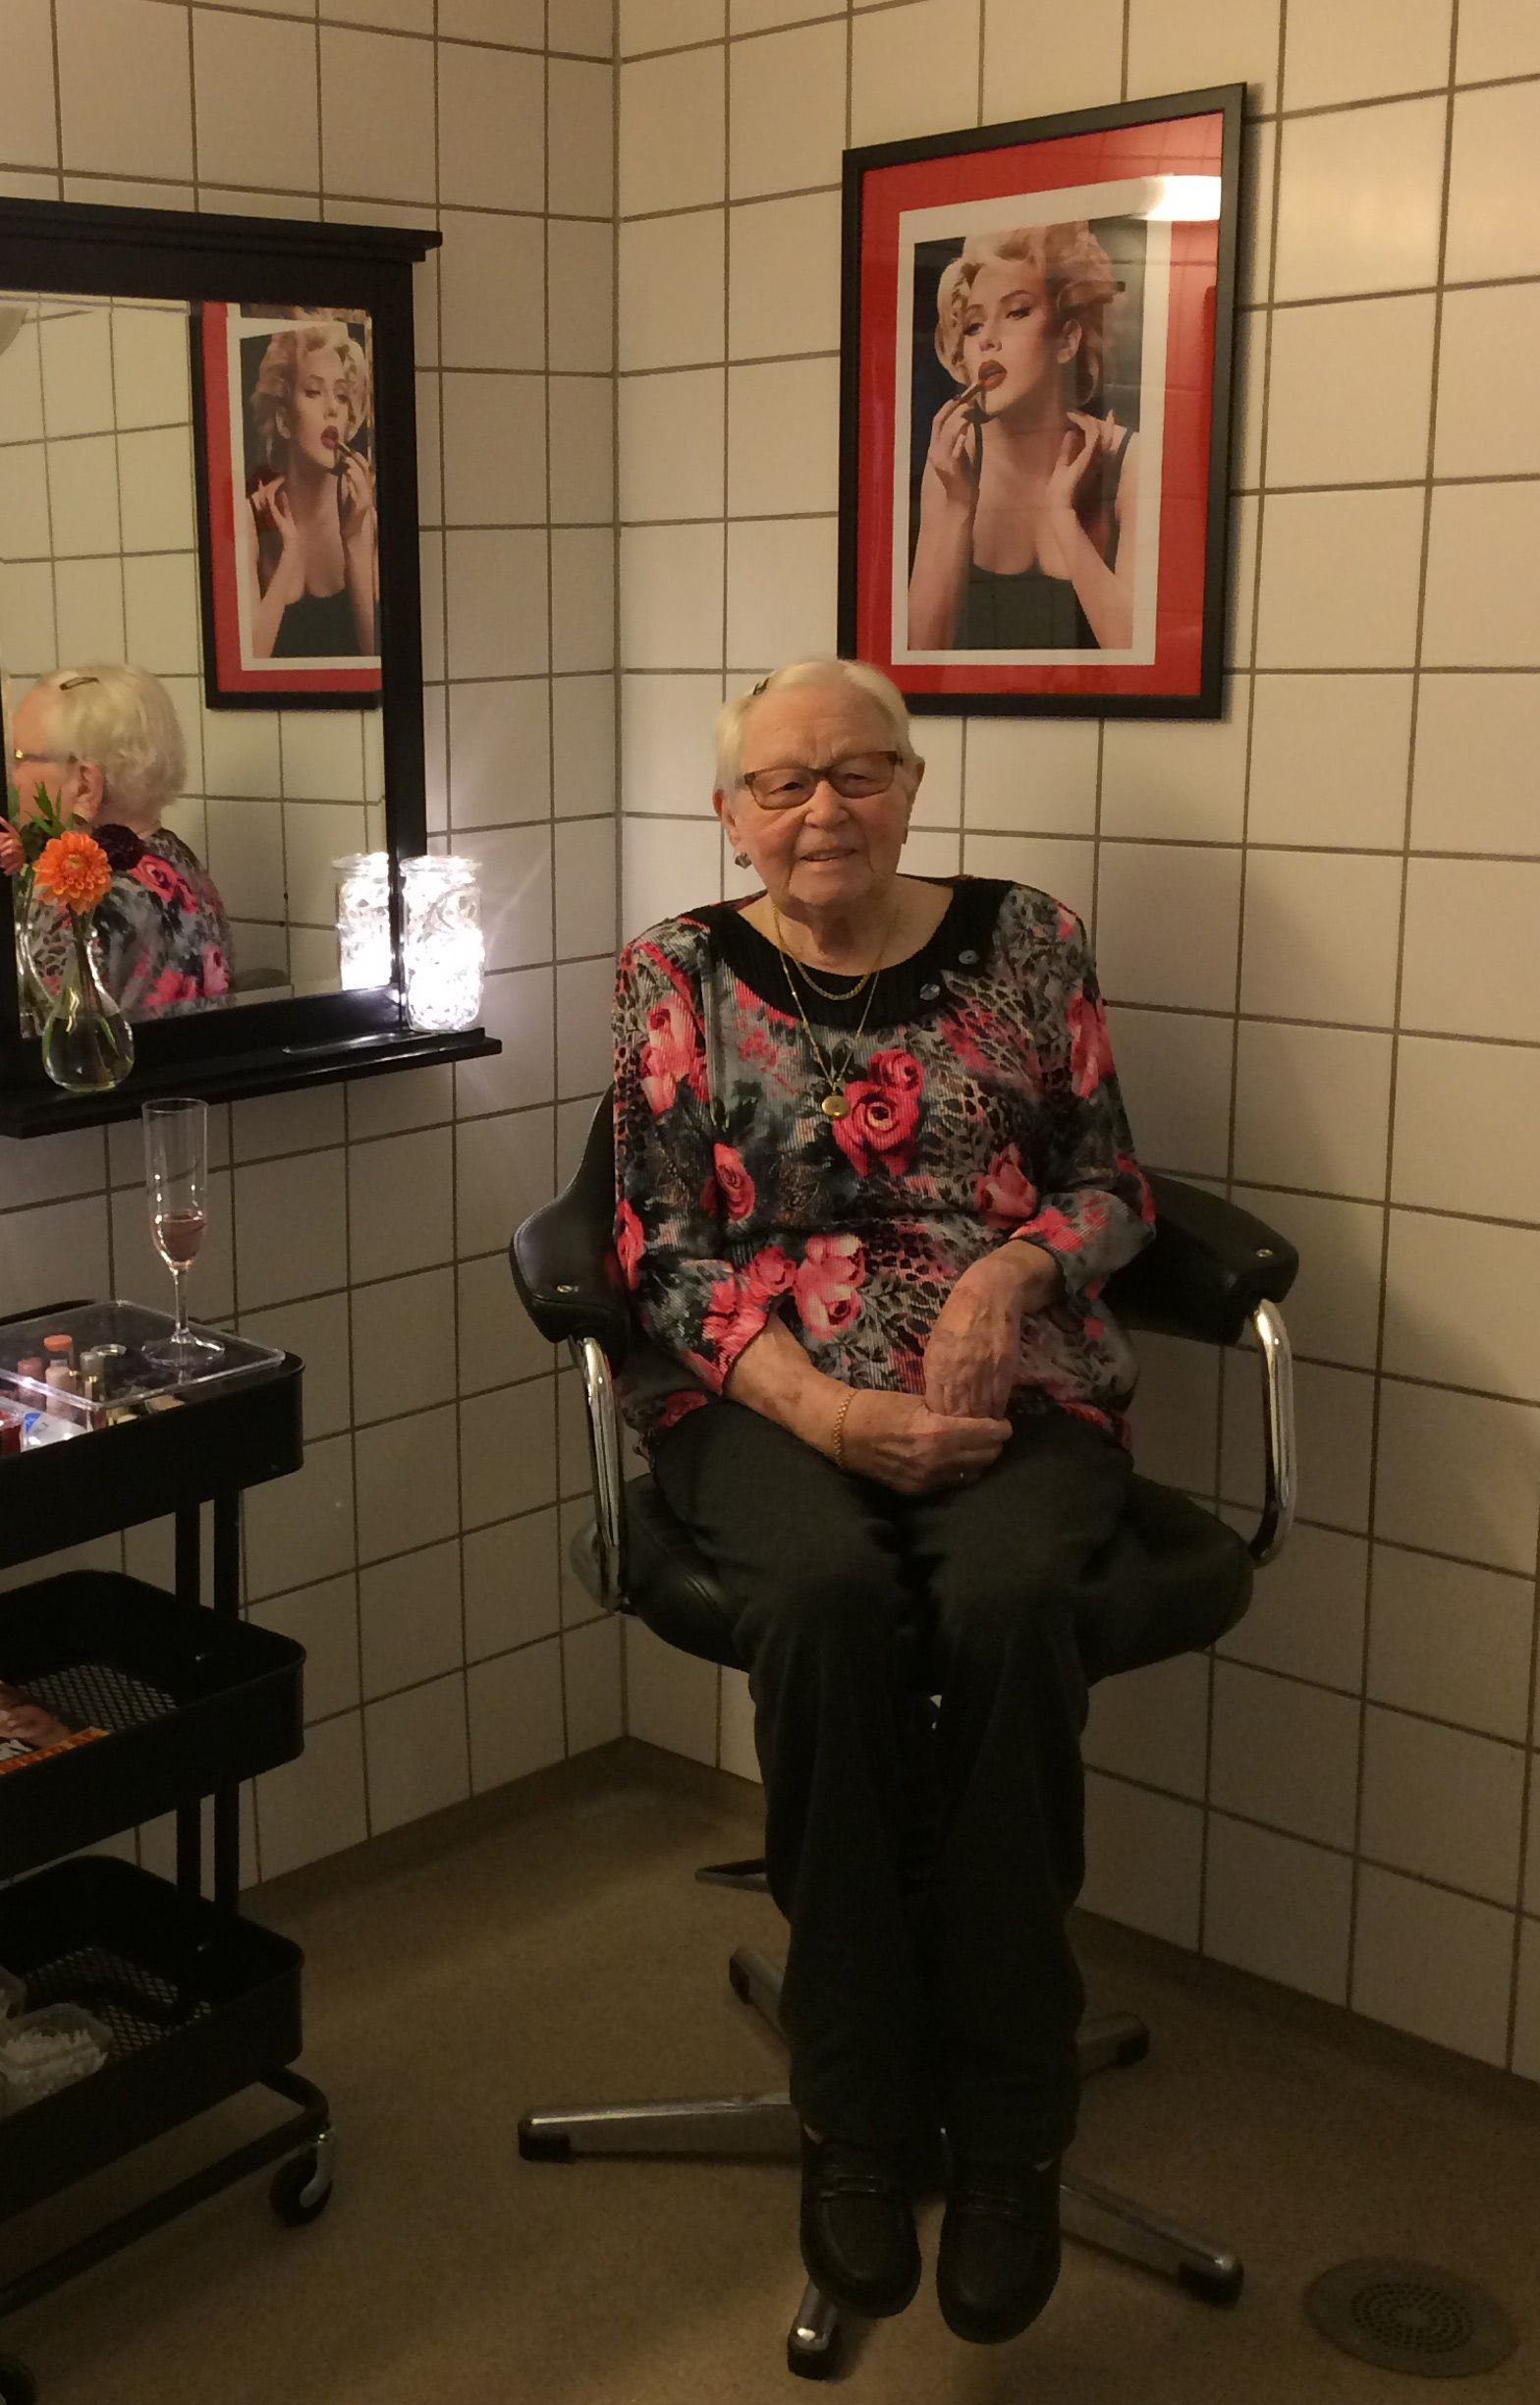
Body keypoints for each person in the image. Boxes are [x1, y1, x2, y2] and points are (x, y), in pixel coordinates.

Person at [610, 656, 1153, 2346]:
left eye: (856, 773)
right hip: (763, 1391)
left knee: (1005, 1606)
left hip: (1014, 1383)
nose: (821, 810)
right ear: (731, 815)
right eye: (781, 784)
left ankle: (1010, 2125)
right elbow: (658, 1253)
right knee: (828, 1606)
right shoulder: (673, 973)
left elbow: (1110, 1184)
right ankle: (853, 2111)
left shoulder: (1029, 940)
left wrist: (1006, 1276)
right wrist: (830, 1414)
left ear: (911, 786)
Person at [906, 223, 1140, 652]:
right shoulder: (953, 461)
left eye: (1016, 312)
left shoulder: (1129, 462)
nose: (987, 340)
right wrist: (958, 504)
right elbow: (919, 657)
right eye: (973, 326)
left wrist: (1062, 516)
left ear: (1067, 340)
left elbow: (1139, 656)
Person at [2, 663, 231, 1019]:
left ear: (84, 784)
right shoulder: (176, 862)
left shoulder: (78, 902)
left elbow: (51, 1038)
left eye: (19, 758)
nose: (9, 776)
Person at [238, 318, 378, 661]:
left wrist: (354, 539)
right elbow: (248, 663)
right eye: (313, 392)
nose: (332, 408)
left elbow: (380, 658)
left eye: (342, 396)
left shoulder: (365, 513)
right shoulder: (251, 518)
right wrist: (289, 556)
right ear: (284, 420)